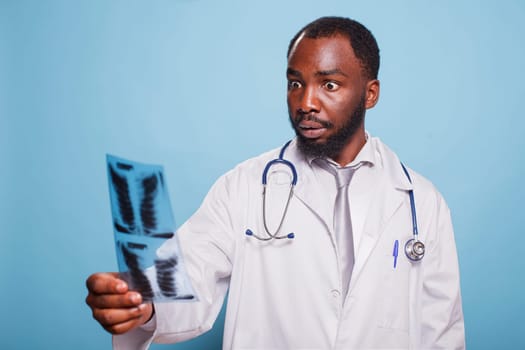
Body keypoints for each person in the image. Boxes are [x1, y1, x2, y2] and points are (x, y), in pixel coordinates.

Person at [86, 16, 465, 349]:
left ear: (370, 94)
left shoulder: (422, 202)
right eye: (295, 83)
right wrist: (140, 304)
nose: (306, 102)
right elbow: (188, 280)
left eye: (329, 85)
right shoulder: (244, 186)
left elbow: (442, 333)